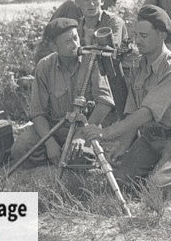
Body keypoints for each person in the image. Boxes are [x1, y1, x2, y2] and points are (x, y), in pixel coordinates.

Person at [79, 5, 171, 209]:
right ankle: (162, 168)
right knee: (121, 183)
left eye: (144, 36)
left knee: (155, 190)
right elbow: (132, 109)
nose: (137, 40)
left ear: (162, 35)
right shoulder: (141, 64)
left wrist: (106, 133)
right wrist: (124, 144)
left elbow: (146, 113)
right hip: (150, 138)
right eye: (136, 34)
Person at [10, 18, 114, 169]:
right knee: (20, 149)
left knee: (79, 157)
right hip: (54, 129)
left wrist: (80, 135)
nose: (75, 45)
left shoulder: (91, 60)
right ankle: (58, 158)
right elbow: (38, 112)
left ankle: (69, 160)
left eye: (75, 38)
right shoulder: (44, 66)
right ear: (54, 46)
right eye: (67, 41)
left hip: (85, 127)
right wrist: (49, 142)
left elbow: (105, 103)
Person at [37, 0, 129, 117]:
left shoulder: (114, 22)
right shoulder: (77, 27)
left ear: (102, 0)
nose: (91, 4)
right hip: (89, 83)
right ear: (77, 2)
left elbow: (108, 50)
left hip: (116, 81)